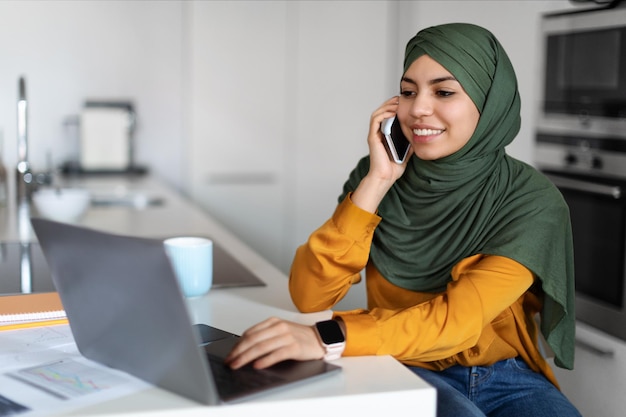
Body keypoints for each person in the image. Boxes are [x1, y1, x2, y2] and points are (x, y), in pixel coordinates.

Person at [225, 23, 581, 417]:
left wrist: (329, 336)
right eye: (408, 92)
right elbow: (309, 295)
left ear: (490, 103)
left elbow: (456, 322)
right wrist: (376, 182)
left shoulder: (532, 200)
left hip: (506, 376)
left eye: (443, 92)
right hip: (398, 364)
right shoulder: (377, 174)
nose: (417, 109)